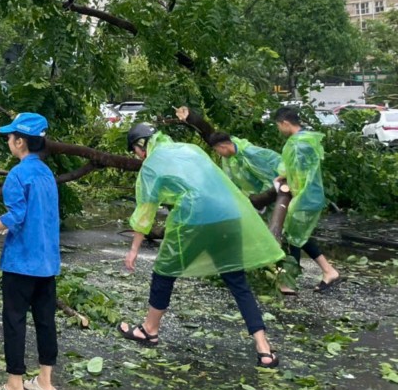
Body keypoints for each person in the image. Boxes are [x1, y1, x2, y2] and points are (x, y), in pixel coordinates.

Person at [119, 123, 284, 368]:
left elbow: (146, 210)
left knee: (164, 271)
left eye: (135, 150)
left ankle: (149, 330)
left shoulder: (152, 165)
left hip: (195, 218)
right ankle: (264, 348)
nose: (137, 156)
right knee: (237, 281)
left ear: (141, 145)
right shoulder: (190, 149)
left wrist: (133, 250)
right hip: (228, 214)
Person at [0, 112, 61, 390]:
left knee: (15, 321)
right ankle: (45, 383)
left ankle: (15, 389)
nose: (8, 141)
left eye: (9, 137)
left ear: (20, 142)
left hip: (21, 263)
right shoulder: (46, 174)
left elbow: (17, 217)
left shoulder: (18, 175)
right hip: (47, 262)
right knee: (46, 321)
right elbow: (37, 215)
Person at [274, 107, 342, 292]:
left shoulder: (299, 143)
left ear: (285, 123)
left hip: (305, 197)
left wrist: (294, 191)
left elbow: (301, 172)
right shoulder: (305, 139)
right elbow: (297, 168)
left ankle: (288, 282)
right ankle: (329, 271)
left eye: (279, 125)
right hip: (309, 195)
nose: (279, 129)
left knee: (292, 237)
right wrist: (284, 175)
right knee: (299, 236)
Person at [175, 106, 281, 196]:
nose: (218, 154)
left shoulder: (251, 154)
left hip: (272, 200)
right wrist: (190, 118)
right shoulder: (230, 154)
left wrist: (262, 200)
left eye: (217, 151)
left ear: (222, 147)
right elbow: (208, 134)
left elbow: (270, 179)